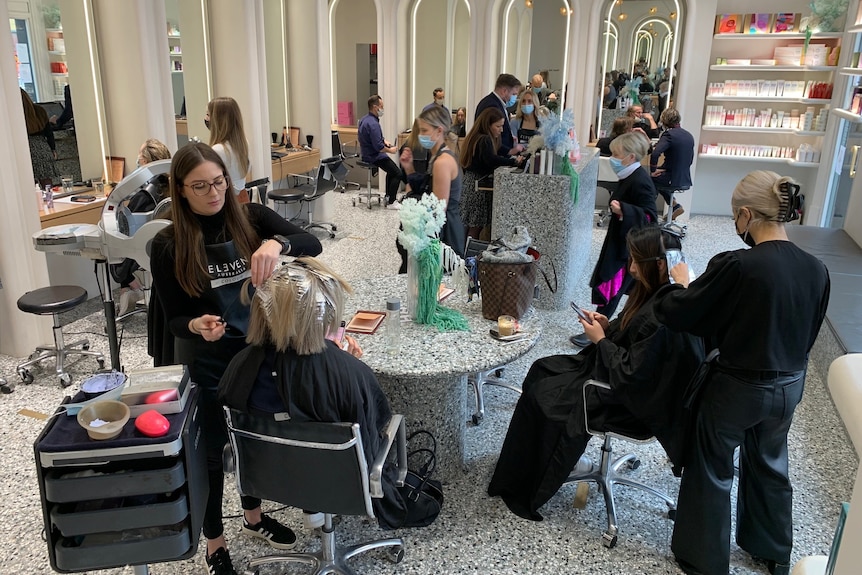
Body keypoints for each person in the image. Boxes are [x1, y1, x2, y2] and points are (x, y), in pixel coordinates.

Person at [149, 143, 323, 575]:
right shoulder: (167, 244)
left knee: (251, 437)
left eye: (219, 181)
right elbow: (173, 319)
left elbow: (313, 241)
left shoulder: (252, 220)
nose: (213, 193)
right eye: (200, 186)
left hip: (256, 352)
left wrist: (276, 244)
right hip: (205, 359)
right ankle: (214, 542)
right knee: (211, 453)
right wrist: (196, 325)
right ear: (181, 190)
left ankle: (253, 517)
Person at [655, 171, 830, 575]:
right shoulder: (816, 269)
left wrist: (679, 285)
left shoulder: (736, 265)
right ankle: (771, 551)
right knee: (770, 462)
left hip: (737, 388)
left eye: (737, 217)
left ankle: (704, 560)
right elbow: (810, 333)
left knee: (713, 467)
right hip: (789, 386)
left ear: (747, 215)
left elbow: (683, 314)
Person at [488, 225, 705, 520]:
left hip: (625, 399)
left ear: (658, 265)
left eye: (635, 262)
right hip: (614, 376)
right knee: (541, 369)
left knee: (545, 398)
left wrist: (601, 340)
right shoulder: (656, 295)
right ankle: (519, 469)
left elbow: (632, 372)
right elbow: (633, 337)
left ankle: (530, 482)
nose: (629, 269)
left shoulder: (666, 314)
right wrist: (608, 325)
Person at [217, 257, 409, 528]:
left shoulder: (240, 367)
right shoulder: (344, 373)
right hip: (338, 481)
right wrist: (346, 364)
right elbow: (371, 428)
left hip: (272, 480)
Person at [572, 133, 657, 347]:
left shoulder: (640, 181)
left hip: (627, 249)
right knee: (627, 291)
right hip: (622, 242)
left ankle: (597, 331)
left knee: (612, 288)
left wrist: (624, 210)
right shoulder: (629, 176)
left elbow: (650, 218)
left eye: (617, 154)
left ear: (630, 157)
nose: (613, 158)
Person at [398, 105, 466, 269]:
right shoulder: (438, 155)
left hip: (445, 232)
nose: (420, 136)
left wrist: (411, 198)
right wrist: (409, 169)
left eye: (424, 131)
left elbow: (437, 210)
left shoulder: (442, 162)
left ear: (439, 131)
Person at [112, 138, 172, 317]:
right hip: (167, 247)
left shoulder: (145, 195)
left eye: (139, 157)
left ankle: (130, 286)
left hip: (145, 249)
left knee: (113, 245)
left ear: (144, 162)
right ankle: (131, 288)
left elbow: (127, 226)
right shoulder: (173, 187)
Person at [459, 107, 524, 239]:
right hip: (477, 187)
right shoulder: (484, 140)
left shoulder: (476, 138)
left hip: (470, 183)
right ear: (488, 125)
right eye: (498, 126)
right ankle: (468, 257)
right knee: (475, 227)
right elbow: (491, 160)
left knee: (470, 226)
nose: (501, 130)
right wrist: (513, 162)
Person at [358, 95, 403, 209]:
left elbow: (373, 139)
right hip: (374, 156)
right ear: (375, 107)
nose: (382, 109)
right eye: (381, 107)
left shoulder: (364, 119)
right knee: (398, 173)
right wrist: (391, 150)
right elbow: (379, 147)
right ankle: (392, 202)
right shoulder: (373, 124)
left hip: (366, 153)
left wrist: (384, 141)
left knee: (391, 171)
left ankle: (388, 197)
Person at [650, 108, 694, 221]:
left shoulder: (668, 135)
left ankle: (649, 212)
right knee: (658, 177)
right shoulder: (689, 135)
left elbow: (655, 154)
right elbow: (689, 160)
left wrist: (653, 170)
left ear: (664, 121)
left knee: (650, 179)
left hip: (672, 177)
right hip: (684, 176)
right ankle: (675, 206)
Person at [206, 96, 251, 195]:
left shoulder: (217, 150)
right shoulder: (243, 144)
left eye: (208, 115)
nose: (206, 118)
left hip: (226, 201)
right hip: (241, 198)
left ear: (217, 120)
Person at [475, 73, 524, 157]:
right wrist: (510, 151)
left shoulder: (497, 103)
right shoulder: (492, 105)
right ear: (504, 91)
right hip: (493, 156)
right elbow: (490, 136)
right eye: (514, 94)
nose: (515, 98)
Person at [21, 88, 57, 186]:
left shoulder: (16, 115)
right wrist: (53, 149)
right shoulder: (39, 110)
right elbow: (49, 133)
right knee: (47, 185)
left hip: (27, 149)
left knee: (30, 186)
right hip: (42, 148)